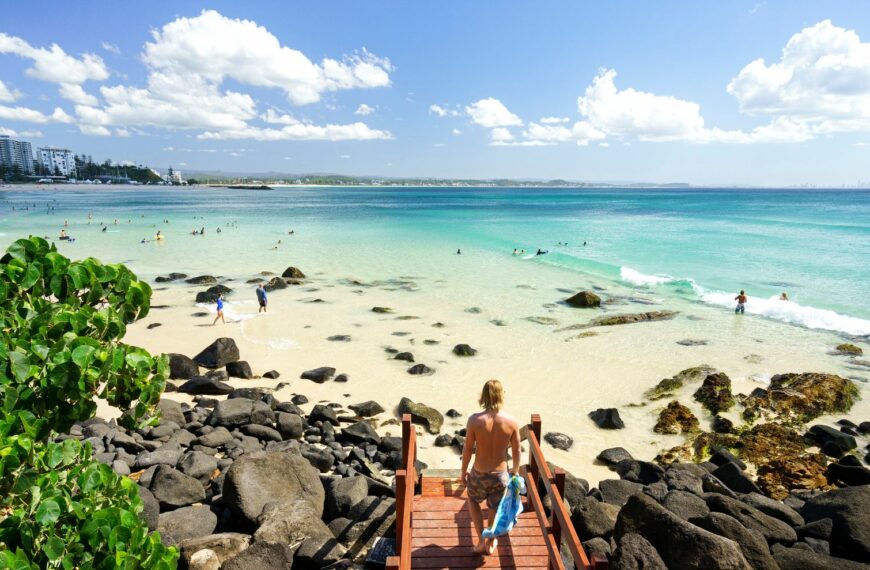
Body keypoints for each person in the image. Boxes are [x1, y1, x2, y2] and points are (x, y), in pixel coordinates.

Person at [461, 379, 521, 555]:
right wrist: (515, 471)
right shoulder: (511, 421)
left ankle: (481, 540)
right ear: (502, 394)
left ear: (483, 395)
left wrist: (463, 470)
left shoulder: (474, 420)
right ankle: (490, 541)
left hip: (479, 473)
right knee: (495, 507)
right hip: (500, 475)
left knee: (473, 500)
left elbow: (468, 448)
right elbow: (517, 450)